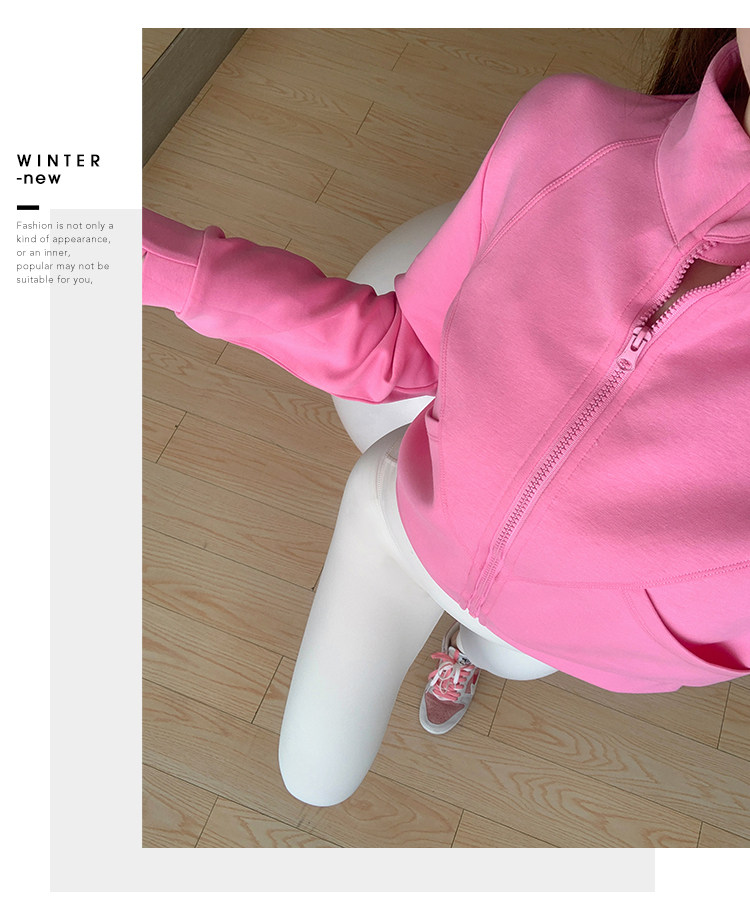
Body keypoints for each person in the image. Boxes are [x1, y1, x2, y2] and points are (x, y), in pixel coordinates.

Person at [142, 29, 750, 807]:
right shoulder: (574, 132)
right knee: (313, 778)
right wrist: (161, 265)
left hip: (576, 635)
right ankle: (477, 636)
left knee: (504, 655)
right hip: (413, 526)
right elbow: (400, 345)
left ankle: (471, 645)